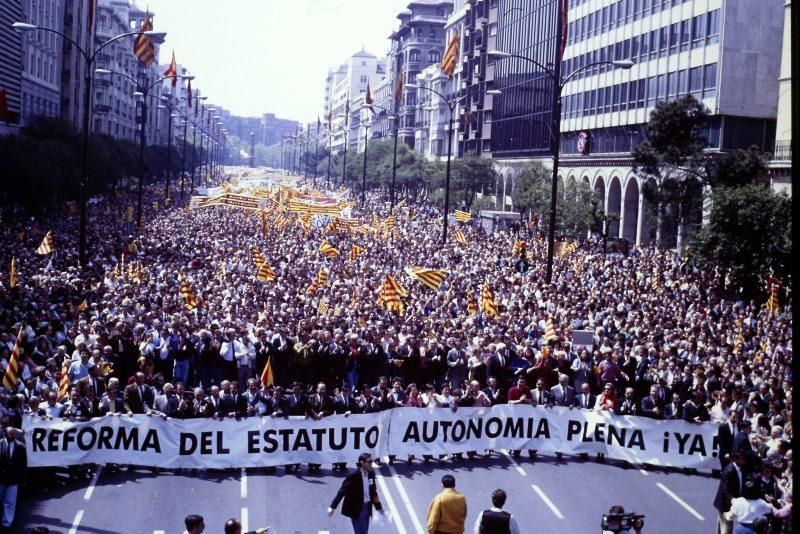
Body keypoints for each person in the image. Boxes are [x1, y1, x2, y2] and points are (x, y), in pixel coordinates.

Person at [328, 452, 384, 534]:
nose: (371, 463)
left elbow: (373, 492)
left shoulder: (371, 474)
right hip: (357, 508)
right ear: (362, 462)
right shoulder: (353, 476)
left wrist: (379, 508)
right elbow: (342, 491)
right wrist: (332, 507)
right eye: (369, 462)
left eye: (372, 461)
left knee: (364, 531)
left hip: (367, 507)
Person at [0, 427, 27, 529]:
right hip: (1, 478)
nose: (11, 436)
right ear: (5, 434)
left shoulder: (20, 447)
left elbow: (23, 465)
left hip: (13, 479)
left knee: (10, 502)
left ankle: (7, 523)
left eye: (13, 434)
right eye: (9, 434)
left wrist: (23, 479)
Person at [714, 451, 746, 534]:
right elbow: (725, 488)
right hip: (726, 503)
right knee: (727, 528)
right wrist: (732, 499)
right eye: (741, 459)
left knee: (721, 524)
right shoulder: (729, 470)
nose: (743, 461)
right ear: (735, 459)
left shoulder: (740, 468)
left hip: (730, 502)